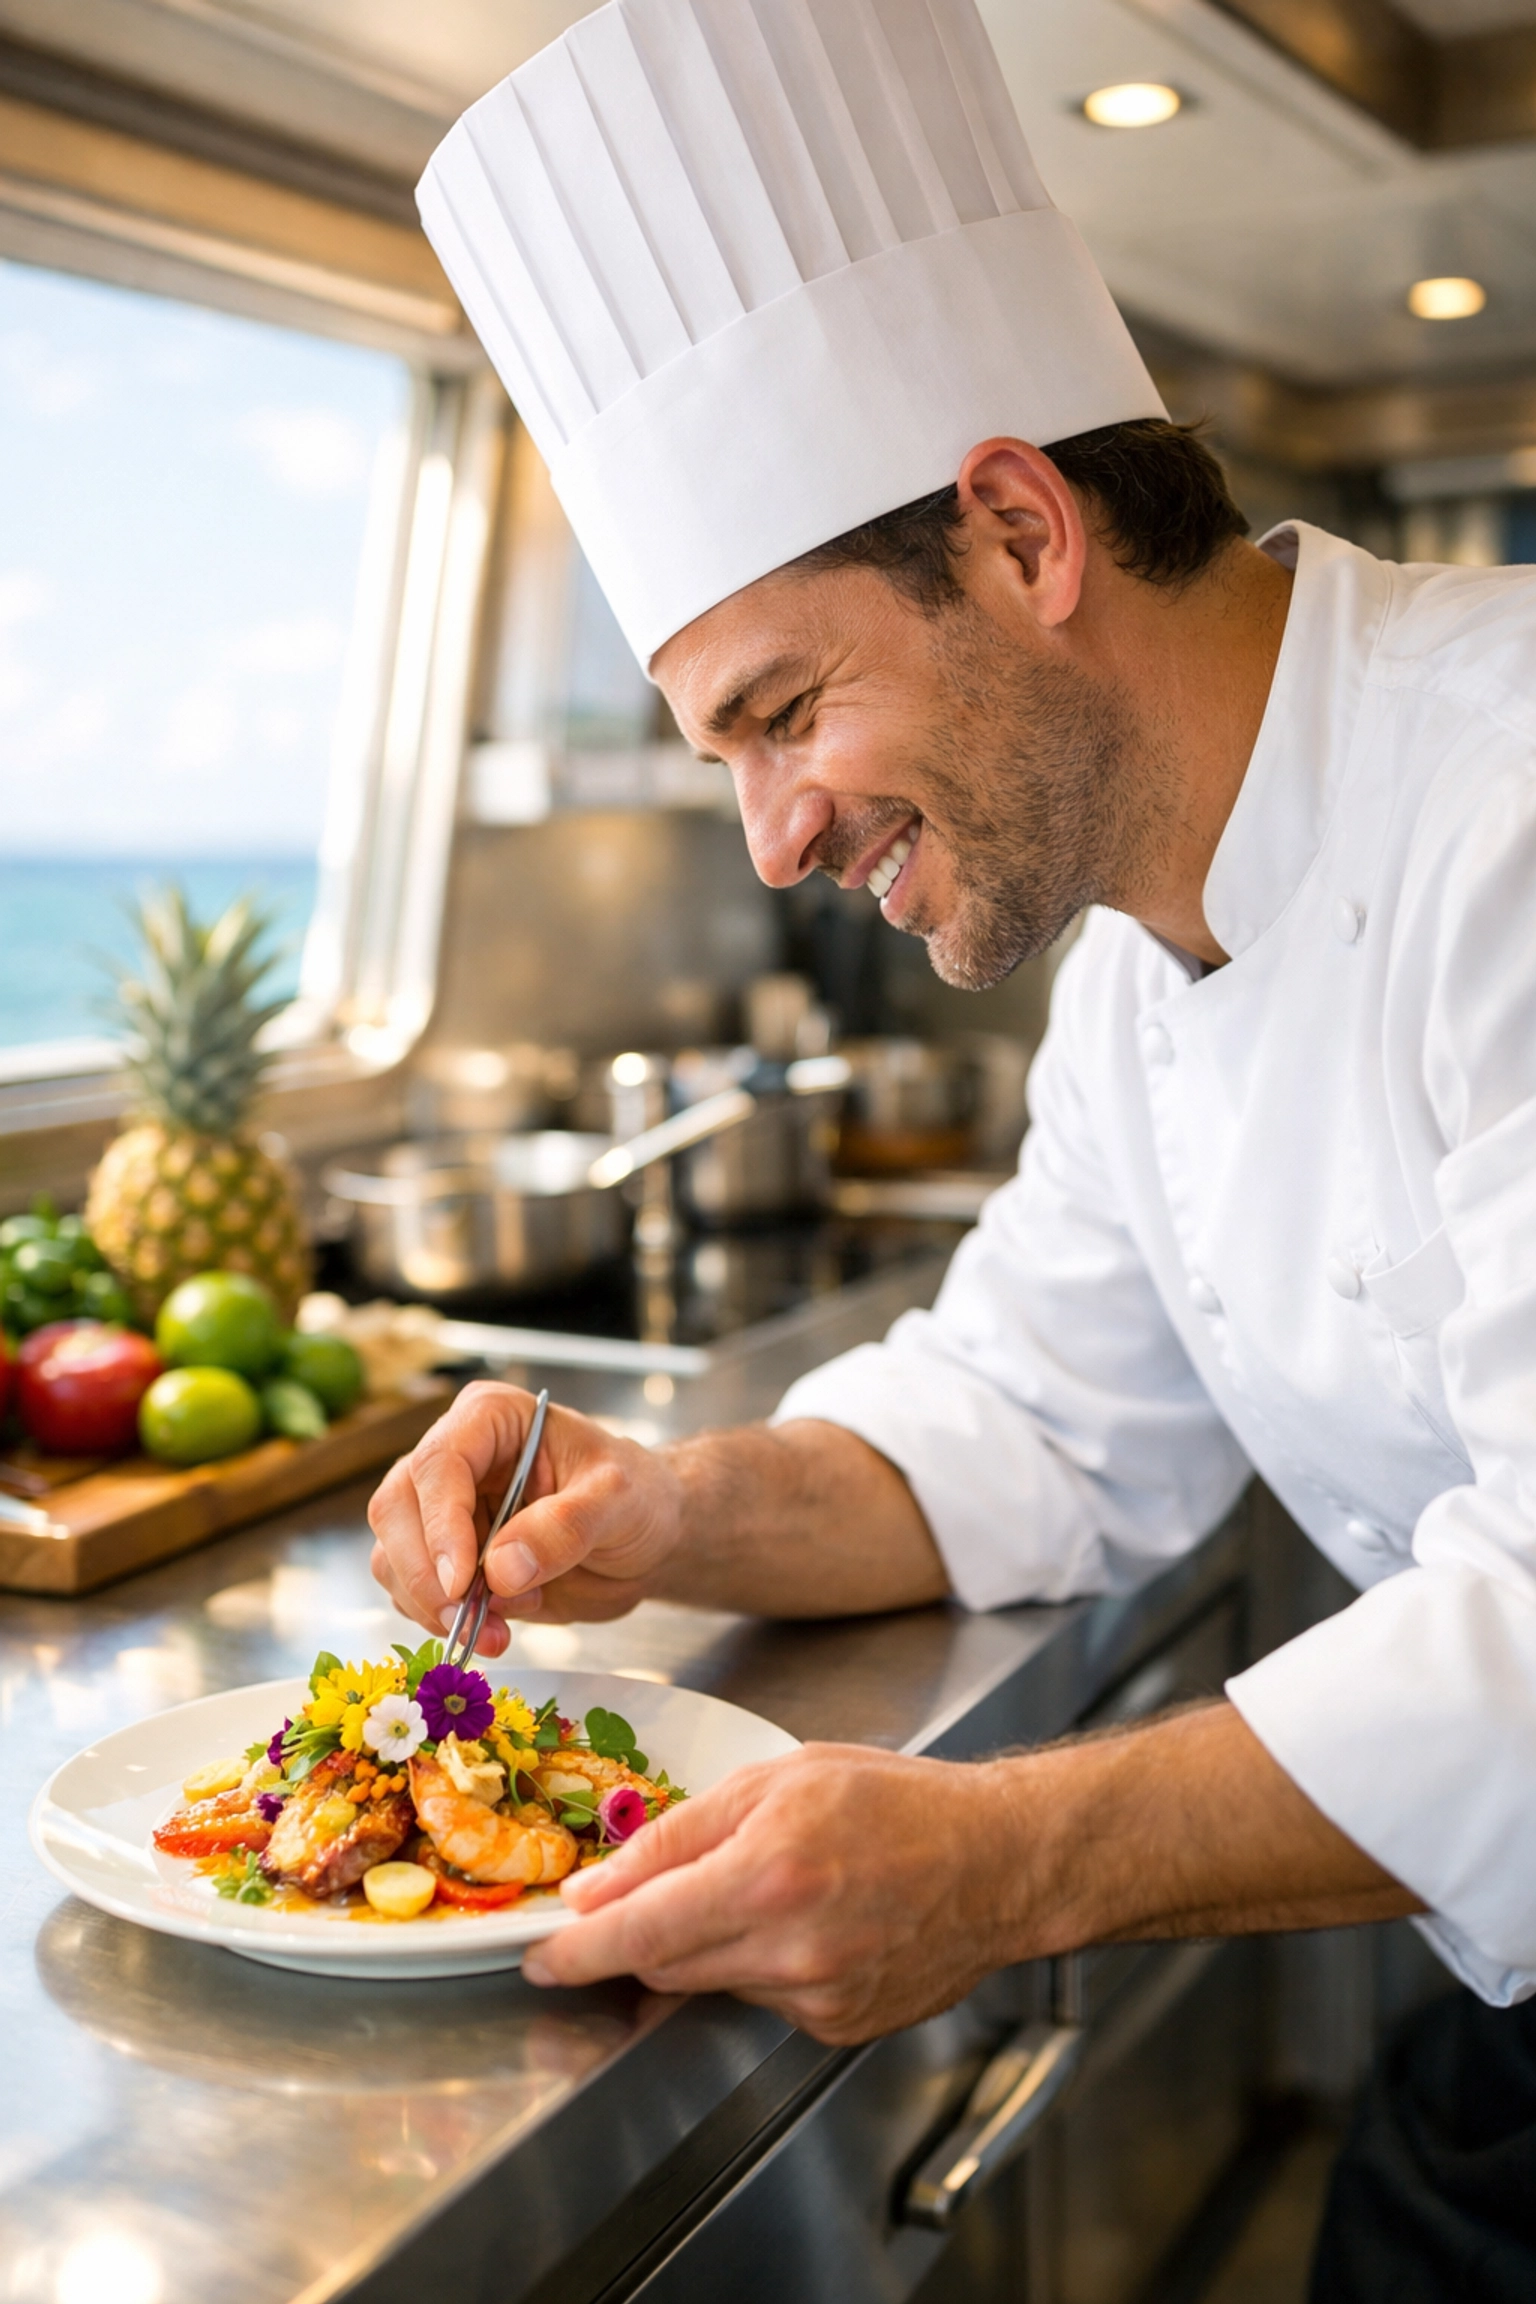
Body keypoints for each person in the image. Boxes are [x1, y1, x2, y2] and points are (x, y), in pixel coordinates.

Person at [372, 0, 1536, 2289]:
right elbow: (1024, 1423)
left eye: (785, 714)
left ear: (1019, 529)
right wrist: (671, 1504)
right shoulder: (1130, 969)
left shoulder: (1509, 795)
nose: (778, 833)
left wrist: (996, 1863)